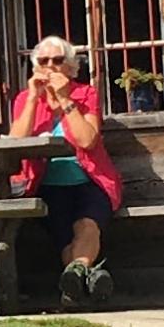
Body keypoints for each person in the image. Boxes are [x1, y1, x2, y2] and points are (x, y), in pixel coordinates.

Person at [7, 35, 126, 307]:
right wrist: (33, 100)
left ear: (71, 68)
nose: (51, 66)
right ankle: (88, 276)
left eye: (58, 61)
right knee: (66, 240)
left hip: (90, 180)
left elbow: (87, 140)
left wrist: (64, 99)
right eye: (44, 61)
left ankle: (74, 280)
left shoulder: (86, 95)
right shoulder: (26, 99)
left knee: (87, 227)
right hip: (47, 185)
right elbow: (15, 146)